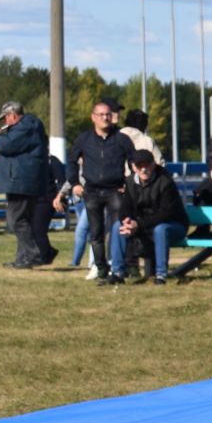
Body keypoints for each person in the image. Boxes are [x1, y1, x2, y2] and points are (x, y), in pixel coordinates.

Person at [70, 98, 134, 285]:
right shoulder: (84, 139)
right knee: (96, 233)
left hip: (115, 191)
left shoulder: (122, 139)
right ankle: (101, 267)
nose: (105, 118)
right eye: (101, 115)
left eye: (108, 114)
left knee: (117, 230)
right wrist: (75, 183)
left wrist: (128, 184)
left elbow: (134, 162)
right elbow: (72, 161)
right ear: (93, 117)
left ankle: (117, 268)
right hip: (91, 191)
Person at [0, 101, 53, 269]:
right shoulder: (28, 127)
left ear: (13, 115)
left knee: (16, 220)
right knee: (22, 220)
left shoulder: (26, 127)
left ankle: (33, 254)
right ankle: (24, 257)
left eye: (5, 118)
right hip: (21, 180)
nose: (5, 121)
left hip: (21, 181)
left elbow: (7, 146)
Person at [117, 149, 189, 283]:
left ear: (153, 164)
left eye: (147, 165)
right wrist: (126, 220)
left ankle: (161, 274)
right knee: (119, 226)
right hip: (144, 224)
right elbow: (124, 208)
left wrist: (138, 225)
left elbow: (166, 213)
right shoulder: (130, 182)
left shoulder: (165, 182)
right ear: (133, 167)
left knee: (160, 229)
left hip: (173, 225)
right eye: (139, 166)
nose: (144, 169)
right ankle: (117, 272)